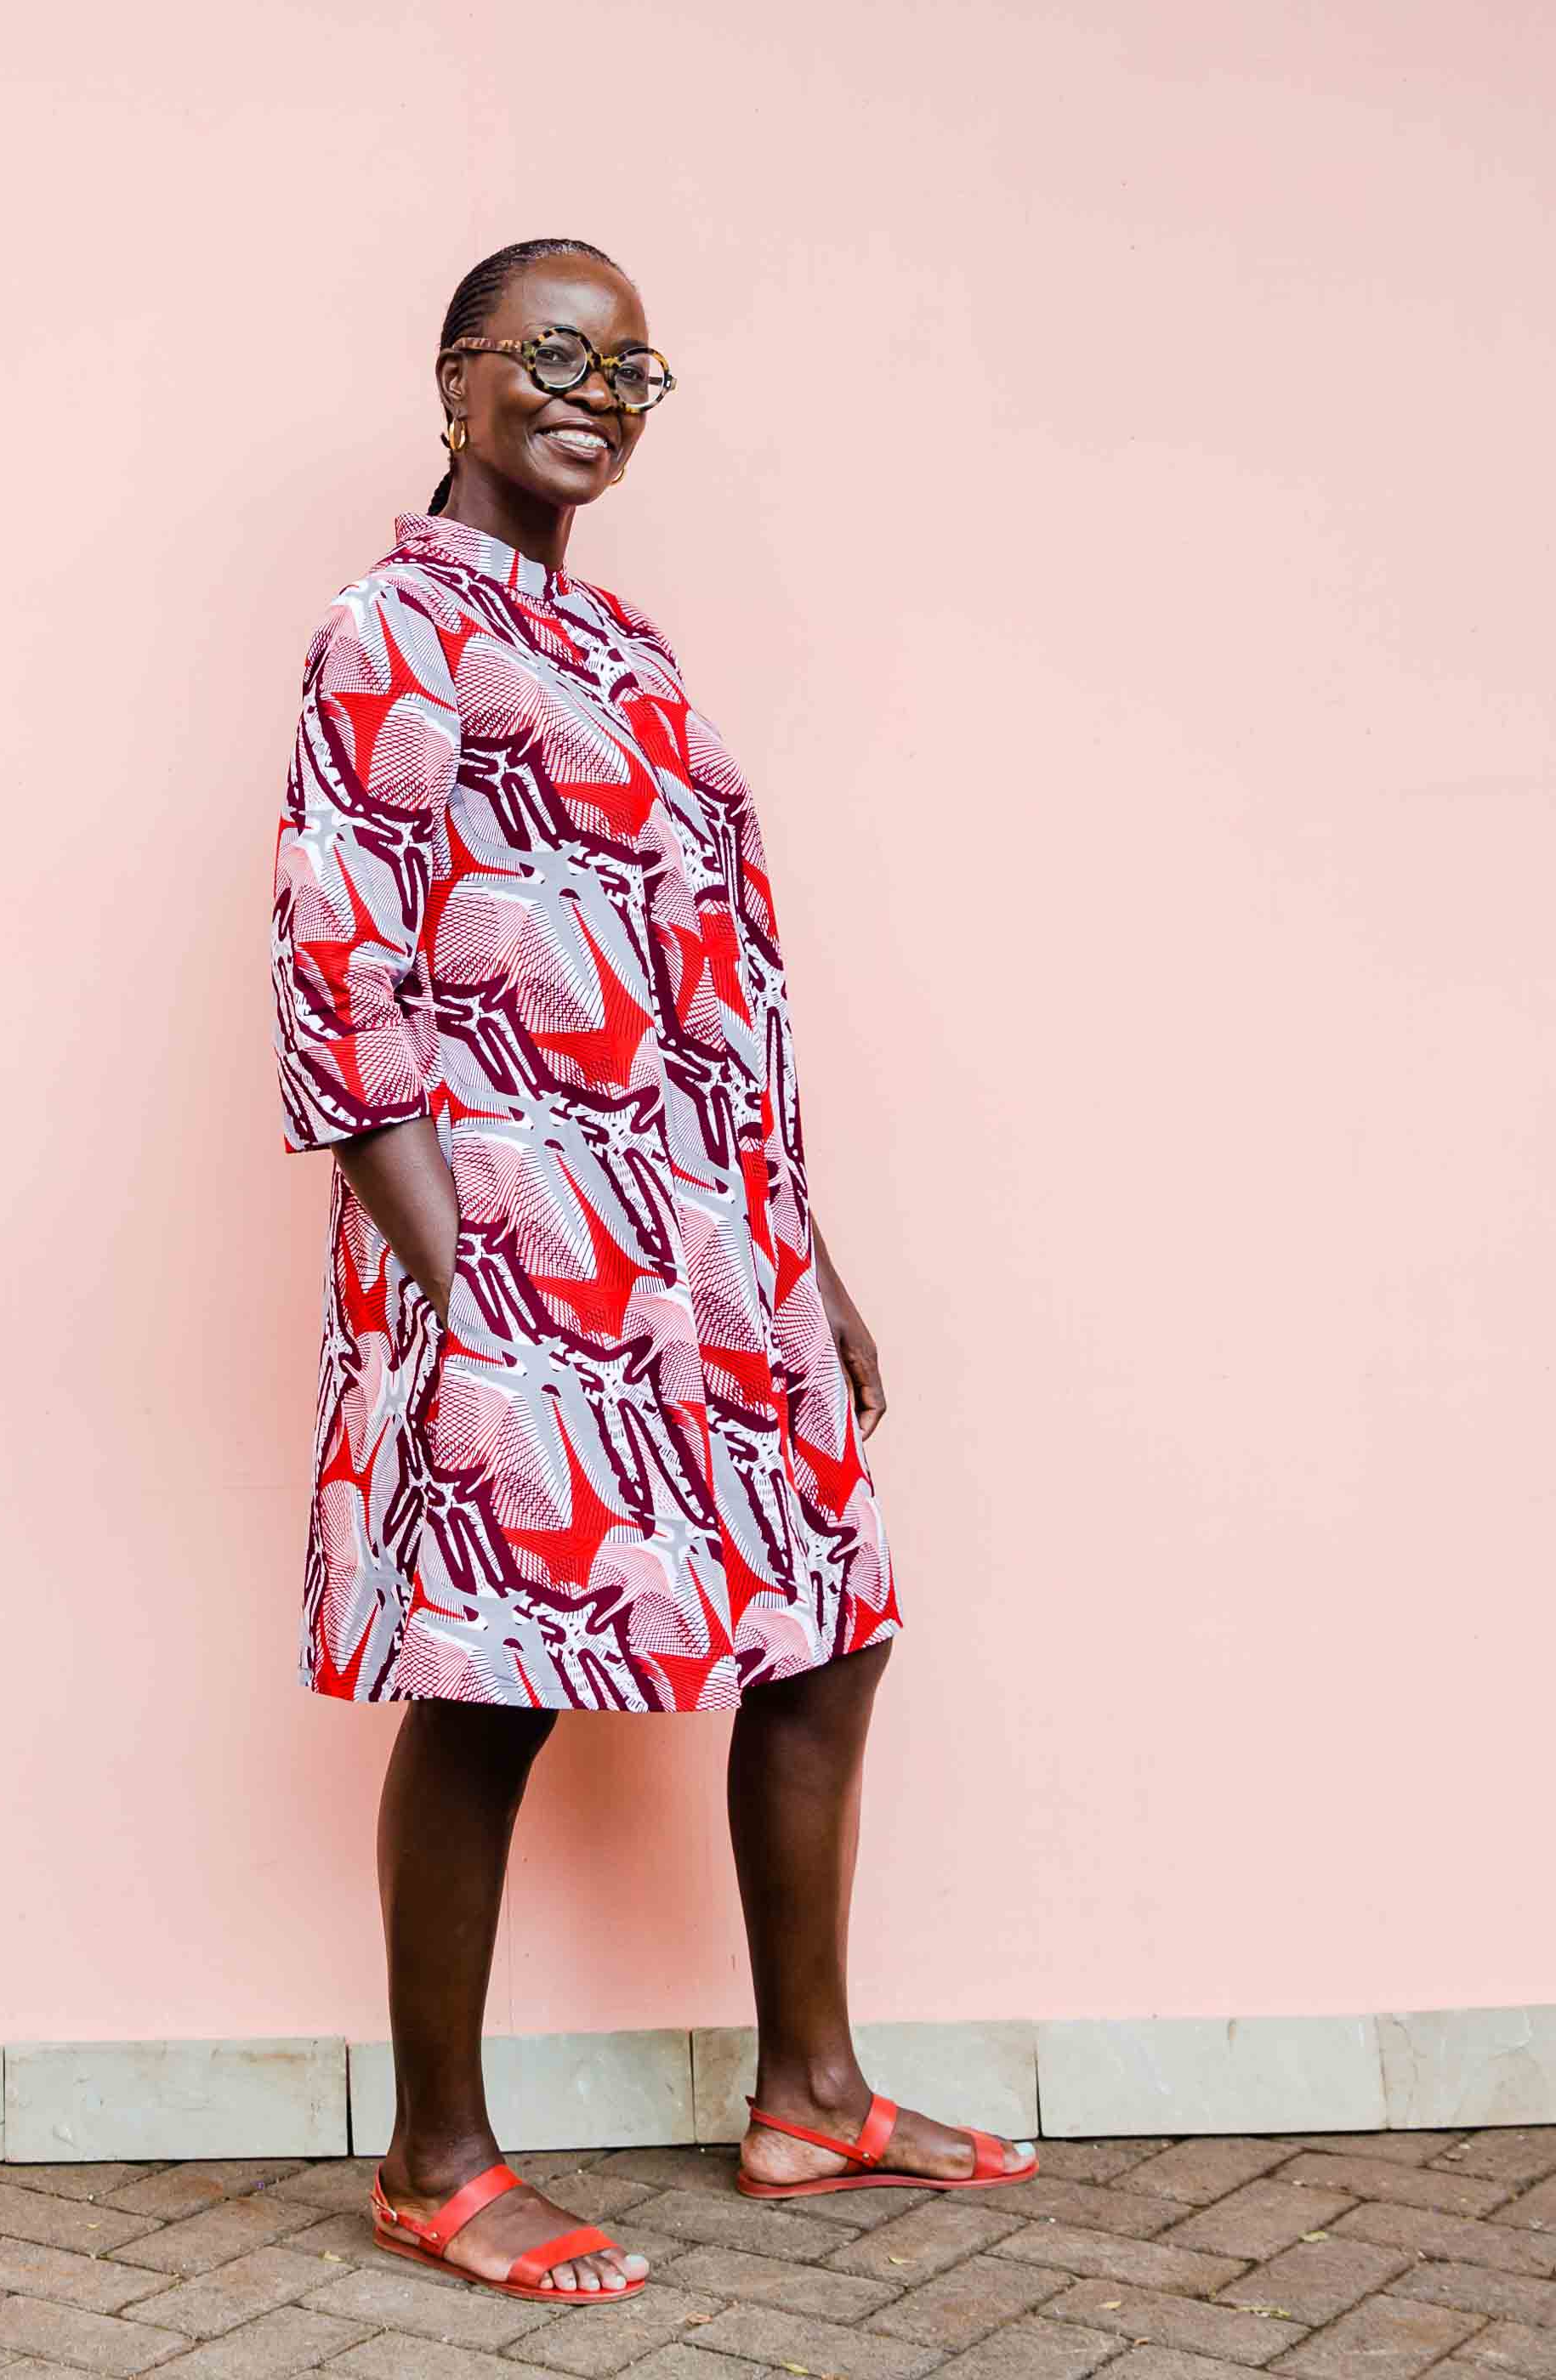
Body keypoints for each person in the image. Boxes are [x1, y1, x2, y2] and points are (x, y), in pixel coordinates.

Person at [270, 235, 1036, 2309]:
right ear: (455, 378)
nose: (596, 392)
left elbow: (719, 985)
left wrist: (806, 1249)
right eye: (552, 352)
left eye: (632, 369)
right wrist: (468, 1290)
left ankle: (809, 2089)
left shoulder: (625, 642)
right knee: (492, 1674)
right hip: (508, 1238)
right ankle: (435, 2158)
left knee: (830, 1613)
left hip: (705, 1240)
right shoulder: (388, 631)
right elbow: (342, 987)